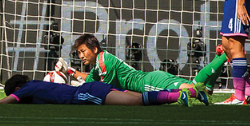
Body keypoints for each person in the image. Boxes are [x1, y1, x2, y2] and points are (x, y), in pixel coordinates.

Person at [67, 33, 223, 101]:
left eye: (82, 51)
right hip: (152, 78)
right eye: (79, 52)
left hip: (149, 84)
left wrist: (81, 88)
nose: (80, 56)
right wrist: (69, 71)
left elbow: (103, 90)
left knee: (192, 89)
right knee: (205, 92)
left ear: (94, 49)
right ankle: (219, 57)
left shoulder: (103, 63)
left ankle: (224, 56)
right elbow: (90, 78)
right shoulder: (100, 62)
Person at [0, 75, 190, 106]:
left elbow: (9, 101)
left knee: (136, 102)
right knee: (141, 98)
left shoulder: (27, 88)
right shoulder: (36, 86)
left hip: (84, 93)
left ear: (17, 88)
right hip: (91, 88)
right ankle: (190, 93)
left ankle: (180, 95)